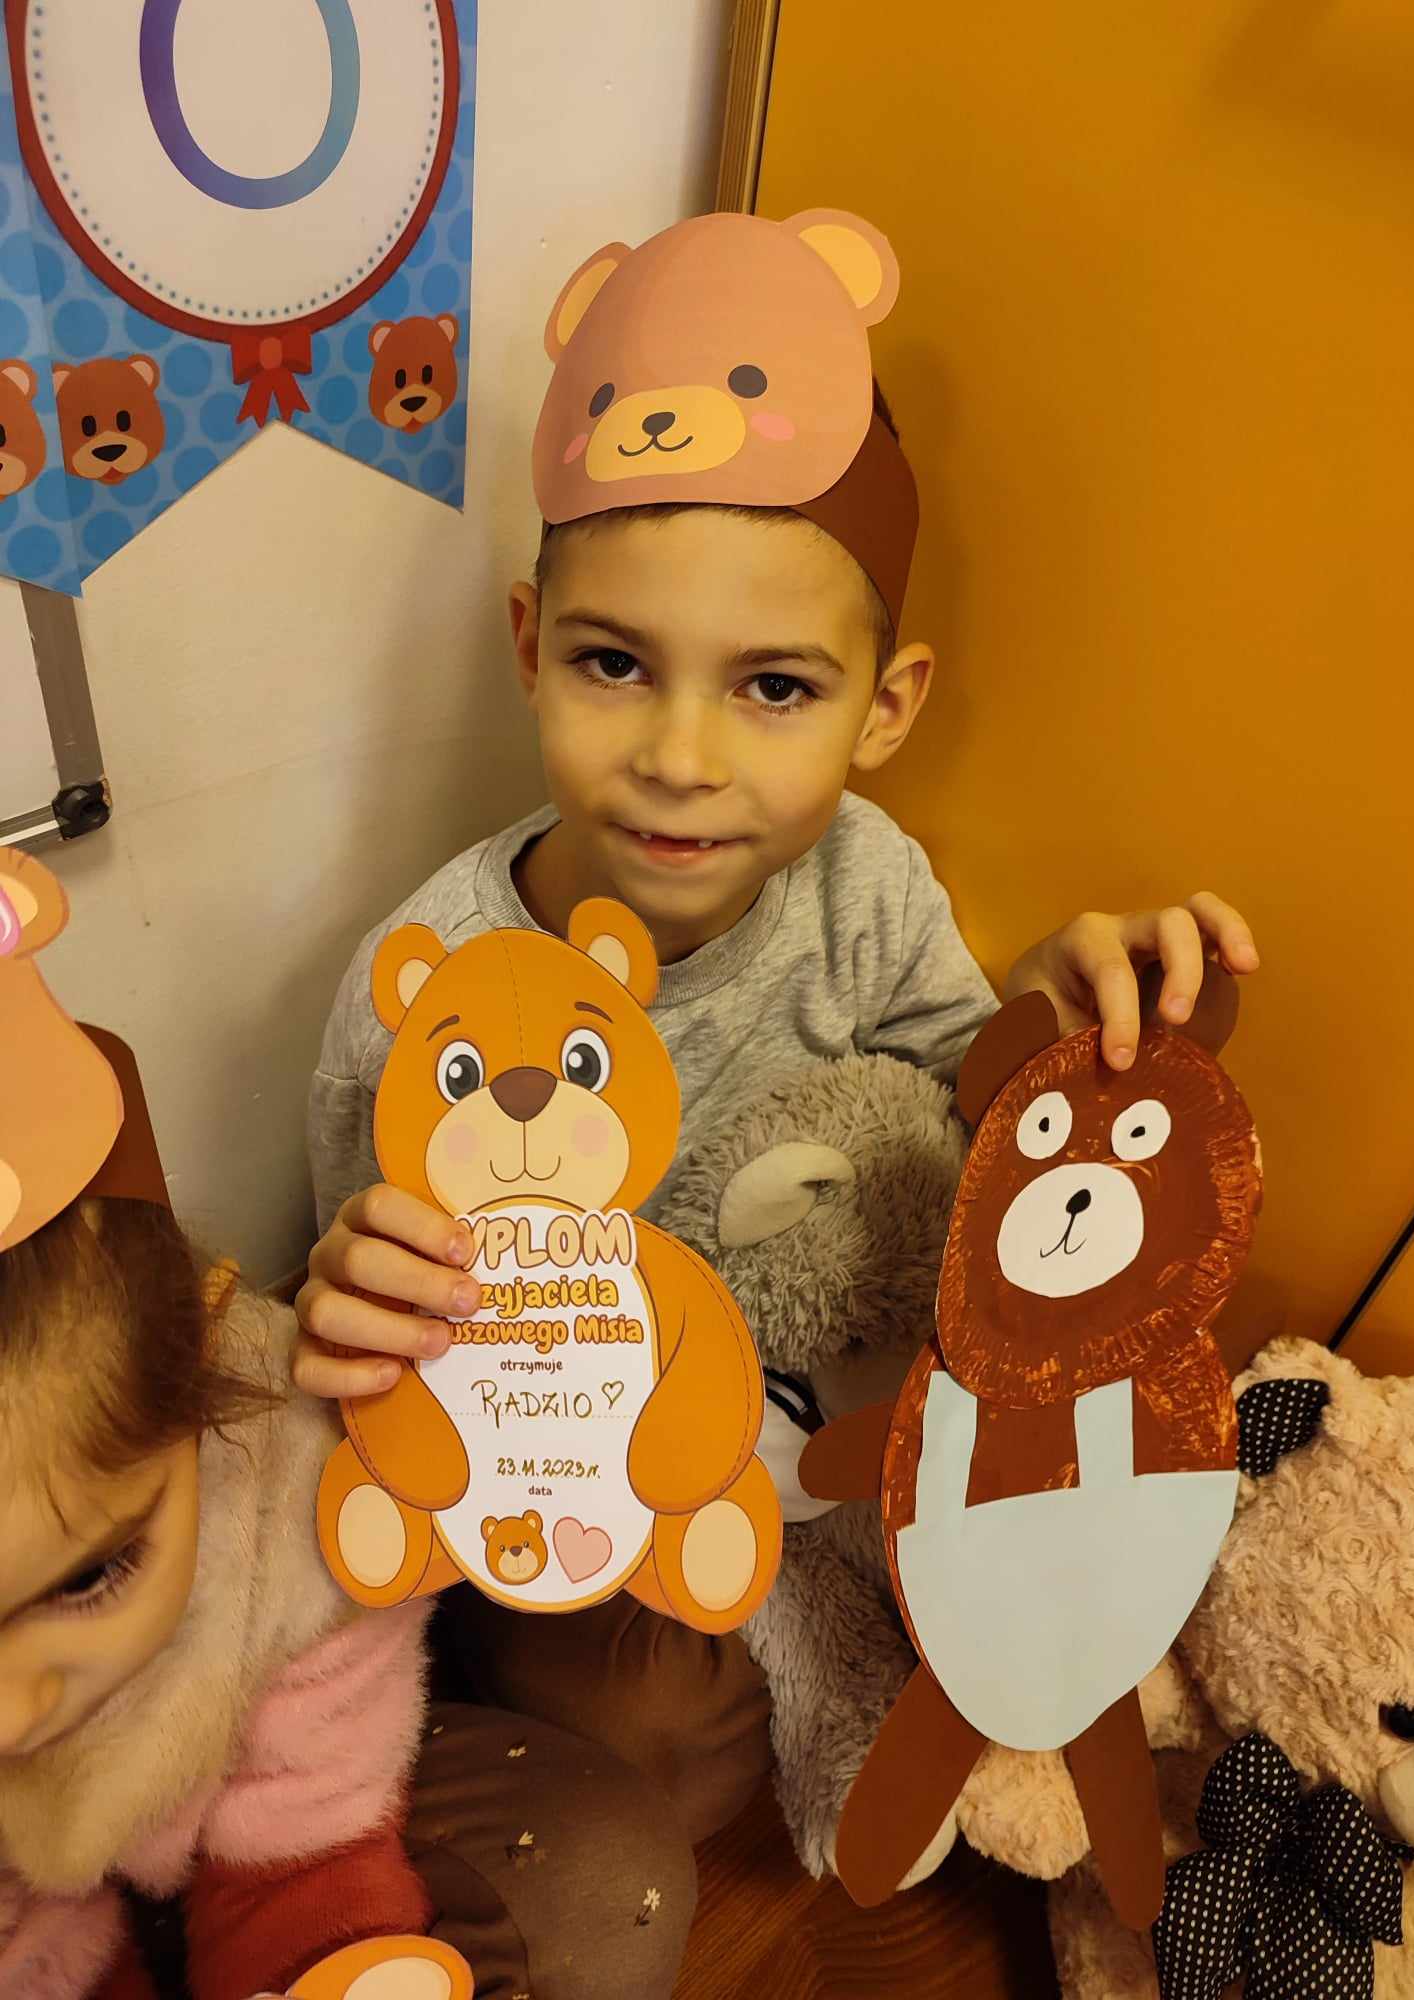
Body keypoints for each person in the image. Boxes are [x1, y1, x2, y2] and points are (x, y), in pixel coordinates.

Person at [292, 207, 1259, 1853]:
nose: (683, 756)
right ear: (530, 648)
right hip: (592, 1489)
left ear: (886, 708)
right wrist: (353, 1288)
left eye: (776, 688)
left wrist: (1064, 1011)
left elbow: (979, 1134)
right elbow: (357, 1329)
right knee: (667, 1740)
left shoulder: (865, 886)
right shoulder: (430, 977)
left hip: (828, 1437)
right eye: (616, 663)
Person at [0, 850, 694, 2000]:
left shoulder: (286, 1479)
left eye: (90, 1574)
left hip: (273, 1801)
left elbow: (305, 1846)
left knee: (600, 1877)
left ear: (203, 1383)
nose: (15, 1707)